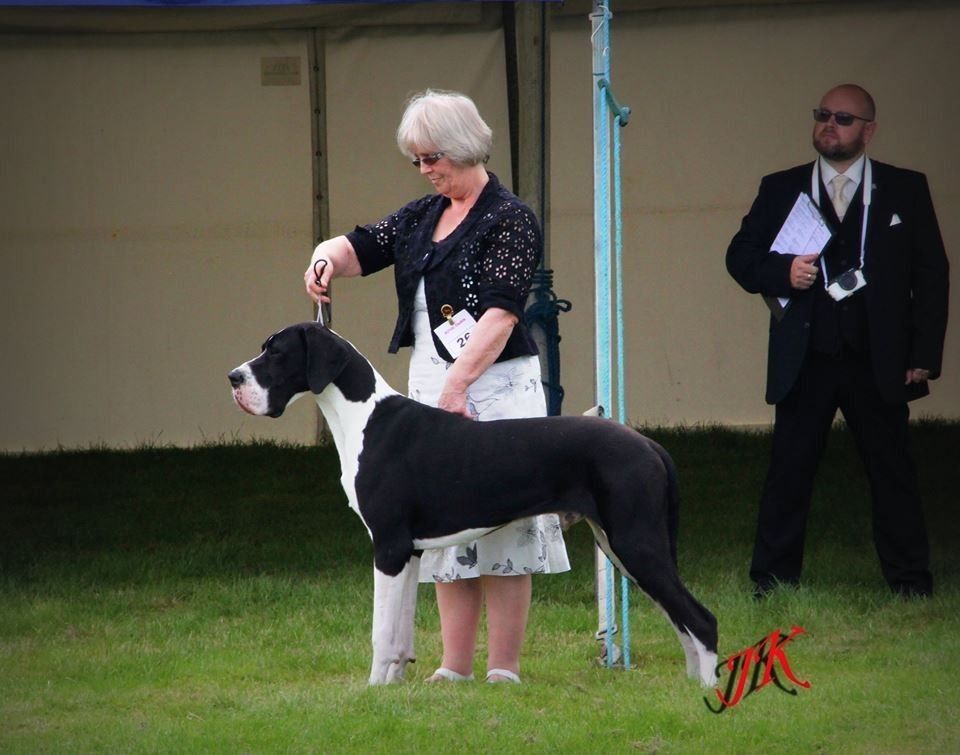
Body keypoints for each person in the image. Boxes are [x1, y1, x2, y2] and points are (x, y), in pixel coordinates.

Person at [303, 89, 570, 682]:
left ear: (465, 146)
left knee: (507, 525)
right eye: (417, 160)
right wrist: (324, 259)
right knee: (441, 520)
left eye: (432, 158)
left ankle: (504, 668)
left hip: (496, 381)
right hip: (429, 378)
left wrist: (458, 389)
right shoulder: (423, 214)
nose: (425, 170)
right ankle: (454, 666)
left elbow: (502, 315)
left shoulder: (510, 218)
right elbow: (360, 246)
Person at [726, 84, 949, 599]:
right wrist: (783, 272)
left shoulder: (905, 187)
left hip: (880, 356)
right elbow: (740, 256)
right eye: (823, 114)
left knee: (893, 471)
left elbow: (931, 274)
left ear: (868, 131)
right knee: (789, 471)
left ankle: (910, 582)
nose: (830, 124)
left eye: (844, 118)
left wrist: (923, 353)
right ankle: (773, 581)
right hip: (807, 356)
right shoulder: (782, 187)